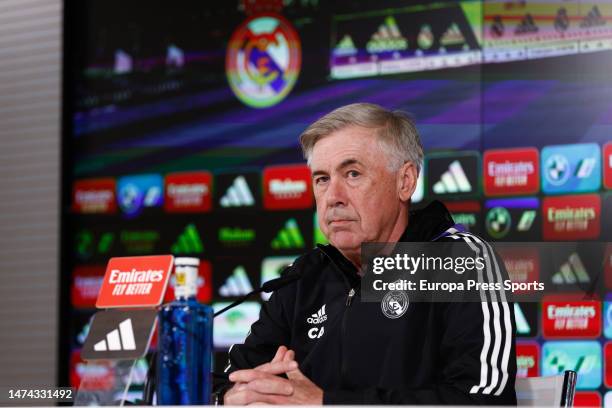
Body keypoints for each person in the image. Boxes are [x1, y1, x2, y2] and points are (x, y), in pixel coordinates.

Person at [215, 103, 516, 405]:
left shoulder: (461, 262)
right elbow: (231, 379)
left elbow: (484, 401)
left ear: (405, 181)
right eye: (322, 179)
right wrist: (236, 396)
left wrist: (327, 403)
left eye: (353, 174)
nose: (333, 197)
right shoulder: (302, 277)